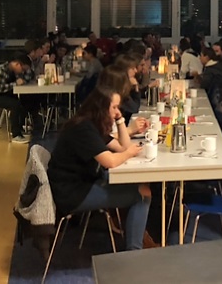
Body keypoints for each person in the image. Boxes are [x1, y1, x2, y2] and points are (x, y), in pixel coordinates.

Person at [47, 88, 150, 250]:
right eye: (114, 107)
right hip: (72, 193)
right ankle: (134, 253)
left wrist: (120, 120)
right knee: (143, 195)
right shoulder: (83, 129)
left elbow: (122, 147)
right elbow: (111, 161)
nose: (117, 111)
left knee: (140, 187)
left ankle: (136, 240)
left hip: (80, 184)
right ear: (101, 108)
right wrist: (130, 153)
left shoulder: (90, 124)